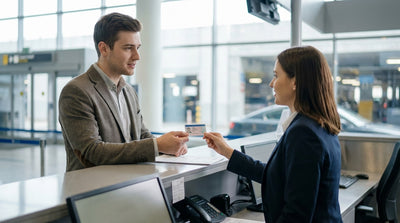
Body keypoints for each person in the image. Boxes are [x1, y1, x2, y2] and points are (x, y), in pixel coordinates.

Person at [204, 46, 342, 222]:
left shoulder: (303, 132)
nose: (271, 83)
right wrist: (227, 152)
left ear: (295, 82)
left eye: (276, 75)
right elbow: (277, 176)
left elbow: (296, 215)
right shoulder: (317, 124)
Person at [59, 12, 189, 172]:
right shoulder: (76, 91)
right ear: (104, 48)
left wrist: (169, 145)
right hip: (92, 192)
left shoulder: (128, 91)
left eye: (138, 48)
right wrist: (157, 145)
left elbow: (142, 136)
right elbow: (92, 152)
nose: (137, 56)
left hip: (127, 185)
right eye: (128, 48)